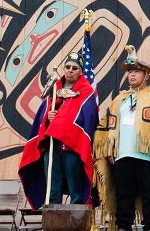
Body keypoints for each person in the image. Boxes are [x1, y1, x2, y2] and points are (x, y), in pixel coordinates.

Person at [93, 46, 150, 231]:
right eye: (130, 72)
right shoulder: (119, 100)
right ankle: (123, 227)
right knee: (123, 192)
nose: (132, 75)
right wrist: (109, 147)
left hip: (146, 154)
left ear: (146, 75)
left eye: (136, 72)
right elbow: (107, 127)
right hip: (122, 154)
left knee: (148, 191)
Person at [19, 51, 99, 210]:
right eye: (67, 67)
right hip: (52, 145)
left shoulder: (86, 92)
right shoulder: (53, 90)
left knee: (75, 187)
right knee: (52, 186)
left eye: (75, 68)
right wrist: (48, 118)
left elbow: (88, 119)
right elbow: (41, 118)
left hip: (73, 146)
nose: (70, 70)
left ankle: (75, 225)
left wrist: (61, 120)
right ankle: (52, 226)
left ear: (80, 71)